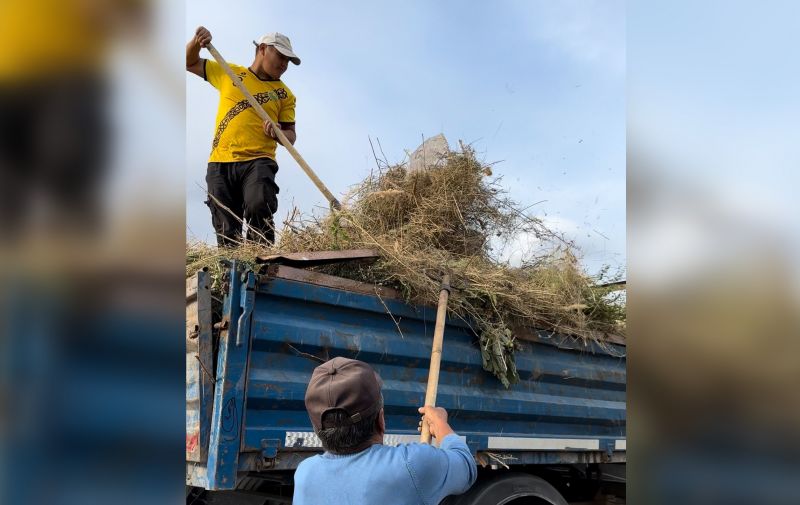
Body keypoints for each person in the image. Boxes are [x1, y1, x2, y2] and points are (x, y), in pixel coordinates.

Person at [294, 357, 477, 504]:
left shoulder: (305, 474)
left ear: (317, 430)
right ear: (380, 420)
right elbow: (466, 467)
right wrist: (441, 423)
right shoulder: (410, 465)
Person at [186, 26, 299, 246]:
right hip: (220, 162)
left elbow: (291, 137)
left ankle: (261, 262)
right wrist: (195, 42)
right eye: (281, 57)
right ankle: (233, 272)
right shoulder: (230, 74)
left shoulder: (285, 95)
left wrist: (278, 133)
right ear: (263, 49)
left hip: (258, 161)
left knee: (259, 205)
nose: (285, 65)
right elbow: (189, 62)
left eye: (288, 61)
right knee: (227, 227)